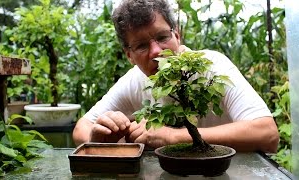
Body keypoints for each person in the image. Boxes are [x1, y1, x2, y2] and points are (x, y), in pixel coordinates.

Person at [73, 0, 279, 152]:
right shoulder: (134, 80)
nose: (156, 51)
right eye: (142, 46)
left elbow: (267, 133)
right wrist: (97, 139)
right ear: (129, 55)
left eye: (162, 37)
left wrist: (173, 136)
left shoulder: (212, 66)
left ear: (177, 35)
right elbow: (81, 128)